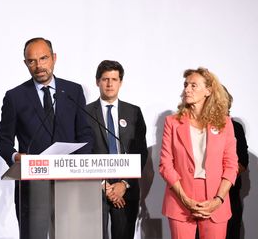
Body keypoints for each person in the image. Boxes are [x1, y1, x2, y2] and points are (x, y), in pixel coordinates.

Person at [0, 37, 93, 238]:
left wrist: (75, 166)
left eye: (43, 58)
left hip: (70, 184)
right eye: (32, 61)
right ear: (25, 63)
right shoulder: (15, 96)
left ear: (54, 58)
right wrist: (16, 157)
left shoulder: (73, 91)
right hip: (32, 187)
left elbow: (85, 134)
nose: (39, 66)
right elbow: (3, 142)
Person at [159, 67, 238, 239]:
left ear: (208, 91)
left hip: (216, 197)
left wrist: (218, 200)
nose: (187, 89)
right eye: (186, 85)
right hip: (180, 197)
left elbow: (231, 165)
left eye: (193, 85)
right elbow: (166, 165)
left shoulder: (225, 124)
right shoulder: (172, 122)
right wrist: (184, 198)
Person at [86, 60, 148, 239]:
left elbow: (140, 152)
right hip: (95, 188)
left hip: (126, 189)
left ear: (121, 82)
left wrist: (124, 183)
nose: (110, 84)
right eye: (105, 79)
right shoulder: (85, 113)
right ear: (97, 81)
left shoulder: (134, 112)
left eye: (114, 79)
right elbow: (83, 153)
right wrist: (104, 184)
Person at [224, 87, 249, 239]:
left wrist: (220, 183)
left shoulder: (235, 128)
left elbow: (242, 163)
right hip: (201, 199)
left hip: (229, 197)